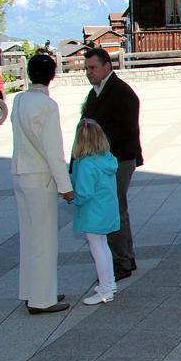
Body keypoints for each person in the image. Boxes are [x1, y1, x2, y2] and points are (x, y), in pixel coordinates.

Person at [12, 54, 73, 314]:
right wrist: (65, 185)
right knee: (44, 240)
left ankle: (31, 291)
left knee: (29, 237)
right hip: (40, 177)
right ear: (52, 76)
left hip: (20, 173)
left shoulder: (19, 100)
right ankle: (42, 299)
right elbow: (52, 150)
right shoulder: (47, 105)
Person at [81, 47, 143, 281]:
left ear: (107, 66)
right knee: (115, 208)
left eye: (93, 68)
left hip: (120, 158)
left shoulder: (121, 92)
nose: (89, 72)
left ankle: (122, 262)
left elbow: (124, 130)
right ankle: (126, 257)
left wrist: (96, 140)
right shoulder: (95, 93)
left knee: (114, 208)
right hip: (103, 159)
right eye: (87, 68)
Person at [69, 119, 120, 306]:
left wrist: (70, 197)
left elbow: (83, 193)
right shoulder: (107, 158)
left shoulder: (86, 164)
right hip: (105, 210)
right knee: (103, 247)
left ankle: (105, 289)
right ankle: (109, 283)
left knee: (97, 249)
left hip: (93, 213)